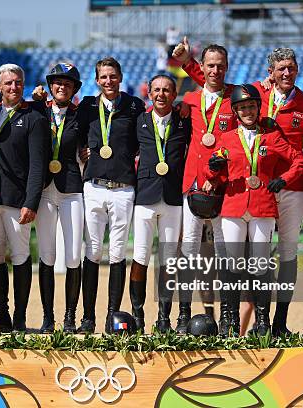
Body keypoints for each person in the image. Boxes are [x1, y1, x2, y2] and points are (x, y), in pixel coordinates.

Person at [204, 84, 303, 337]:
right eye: (242, 108)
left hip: (263, 206)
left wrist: (284, 180)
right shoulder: (226, 139)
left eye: (251, 106)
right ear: (236, 112)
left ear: (258, 108)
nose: (247, 111)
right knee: (231, 264)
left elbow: (299, 160)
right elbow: (211, 173)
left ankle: (263, 321)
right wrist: (214, 167)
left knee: (261, 265)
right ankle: (228, 319)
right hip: (234, 205)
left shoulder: (271, 137)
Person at [172, 39, 238, 333]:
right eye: (209, 65)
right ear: (203, 68)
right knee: (188, 251)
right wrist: (187, 63)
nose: (215, 70)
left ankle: (228, 316)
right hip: (193, 185)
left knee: (225, 253)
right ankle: (183, 315)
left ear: (227, 67)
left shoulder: (236, 98)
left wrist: (188, 63)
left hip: (225, 187)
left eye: (220, 65)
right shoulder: (189, 101)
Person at [76, 57, 146, 334]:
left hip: (123, 189)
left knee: (117, 253)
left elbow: (145, 139)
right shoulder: (87, 107)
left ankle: (111, 317)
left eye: (113, 76)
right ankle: (88, 317)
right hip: (93, 186)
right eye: (103, 77)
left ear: (120, 76)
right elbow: (75, 133)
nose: (108, 81)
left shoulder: (134, 105)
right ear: (97, 80)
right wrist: (83, 149)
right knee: (92, 251)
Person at [0, 64, 50, 332]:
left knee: (20, 256)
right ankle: (1, 314)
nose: (14, 87)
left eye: (18, 82)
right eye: (8, 83)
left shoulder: (34, 117)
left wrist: (31, 202)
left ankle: (20, 317)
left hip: (18, 201)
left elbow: (38, 165)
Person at [130, 74, 191, 333]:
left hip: (173, 198)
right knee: (140, 256)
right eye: (156, 90)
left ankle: (164, 316)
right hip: (145, 196)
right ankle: (138, 315)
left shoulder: (183, 122)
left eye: (166, 90)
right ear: (149, 93)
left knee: (168, 260)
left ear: (174, 93)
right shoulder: (139, 122)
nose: (161, 94)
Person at [29, 63, 85, 333]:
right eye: (57, 82)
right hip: (44, 191)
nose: (61, 86)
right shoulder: (38, 109)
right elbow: (4, 102)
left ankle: (71, 317)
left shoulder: (81, 113)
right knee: (47, 255)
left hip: (71, 189)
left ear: (74, 88)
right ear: (50, 85)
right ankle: (48, 318)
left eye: (67, 83)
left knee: (73, 255)